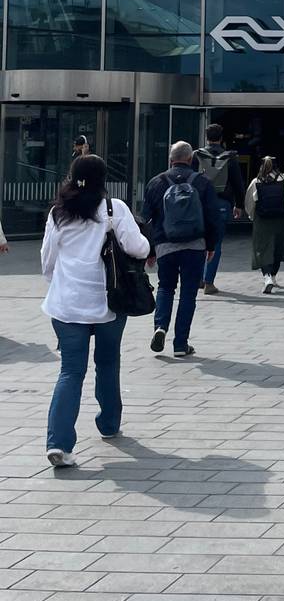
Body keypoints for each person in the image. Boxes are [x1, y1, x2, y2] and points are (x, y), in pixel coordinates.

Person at [40, 154, 150, 468]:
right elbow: (139, 248)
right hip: (109, 303)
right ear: (104, 180)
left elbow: (47, 260)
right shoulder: (114, 209)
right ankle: (109, 422)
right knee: (108, 361)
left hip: (66, 306)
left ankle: (58, 443)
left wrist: (59, 282)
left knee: (70, 372)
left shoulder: (58, 213)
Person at [142, 141, 219, 358]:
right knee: (188, 293)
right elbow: (213, 218)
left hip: (165, 245)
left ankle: (160, 327)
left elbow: (146, 218)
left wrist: (149, 250)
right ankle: (180, 344)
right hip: (195, 245)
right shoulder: (202, 182)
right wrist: (211, 245)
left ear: (170, 159)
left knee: (166, 288)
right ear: (190, 159)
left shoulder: (156, 182)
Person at [194, 123, 246, 294]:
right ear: (221, 138)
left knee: (199, 241)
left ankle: (198, 278)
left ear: (206, 137)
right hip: (222, 203)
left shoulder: (197, 155)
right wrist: (239, 205)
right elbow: (238, 184)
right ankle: (209, 282)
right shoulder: (229, 157)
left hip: (200, 203)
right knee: (215, 243)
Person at [245, 155, 284, 294]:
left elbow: (249, 202)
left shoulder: (256, 181)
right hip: (280, 219)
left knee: (262, 249)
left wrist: (252, 216)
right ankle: (273, 276)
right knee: (278, 249)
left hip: (262, 221)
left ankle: (267, 278)